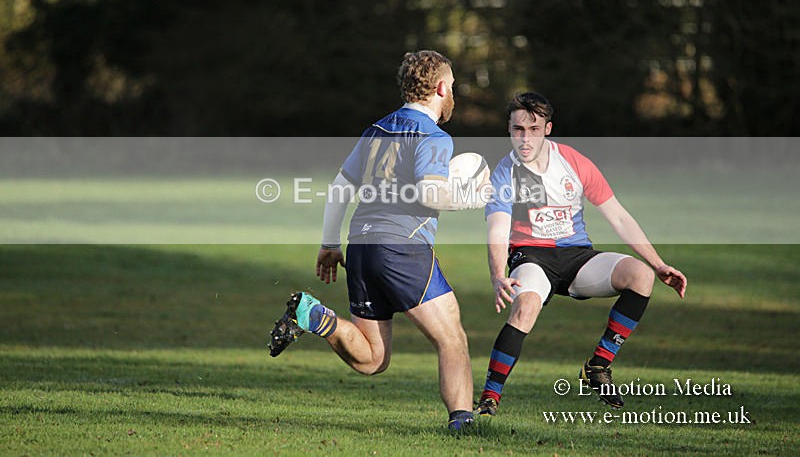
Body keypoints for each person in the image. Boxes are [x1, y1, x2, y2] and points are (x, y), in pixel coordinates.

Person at [267, 50, 491, 432]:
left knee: (372, 358)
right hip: (402, 248)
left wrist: (329, 242)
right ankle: (463, 422)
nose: (453, 92)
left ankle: (313, 316)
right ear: (440, 88)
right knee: (452, 337)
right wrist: (471, 198)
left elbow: (340, 188)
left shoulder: (375, 130)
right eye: (452, 86)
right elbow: (431, 193)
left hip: (361, 247)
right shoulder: (434, 137)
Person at [474, 92, 687, 416]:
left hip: (576, 256)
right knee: (526, 306)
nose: (525, 137)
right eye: (518, 129)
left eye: (533, 128)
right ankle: (489, 399)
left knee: (640, 275)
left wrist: (657, 264)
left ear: (548, 128)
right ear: (509, 128)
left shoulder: (574, 162)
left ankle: (598, 365)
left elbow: (617, 216)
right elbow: (497, 229)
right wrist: (497, 275)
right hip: (531, 257)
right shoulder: (505, 173)